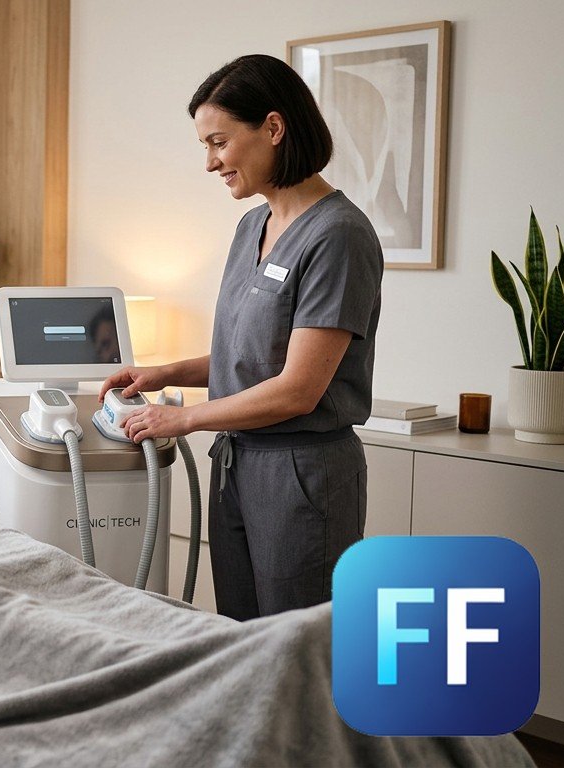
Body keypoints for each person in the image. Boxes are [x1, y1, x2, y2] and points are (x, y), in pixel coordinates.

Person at [98, 54, 383, 620]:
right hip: (238, 463)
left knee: (299, 651)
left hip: (302, 474)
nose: (210, 162)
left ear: (273, 129)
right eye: (205, 146)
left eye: (218, 142)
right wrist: (166, 374)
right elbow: (250, 356)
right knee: (241, 638)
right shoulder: (252, 225)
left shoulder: (337, 236)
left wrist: (180, 419)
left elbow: (298, 389)